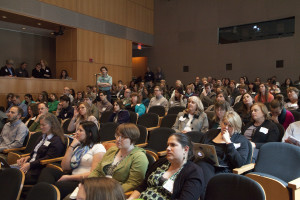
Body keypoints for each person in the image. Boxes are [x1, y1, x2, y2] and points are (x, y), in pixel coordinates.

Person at [38, 121, 106, 199]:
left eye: (80, 130)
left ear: (89, 134)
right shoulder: (78, 147)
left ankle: (45, 195)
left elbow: (93, 174)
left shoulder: (98, 147)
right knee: (47, 171)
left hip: (85, 182)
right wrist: (71, 146)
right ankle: (43, 193)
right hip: (72, 175)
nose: (76, 132)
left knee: (59, 186)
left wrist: (69, 178)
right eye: (77, 130)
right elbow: (65, 167)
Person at [128, 133, 204, 200]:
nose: (168, 148)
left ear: (185, 149)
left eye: (173, 145)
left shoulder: (194, 172)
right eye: (168, 145)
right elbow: (143, 186)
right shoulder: (161, 162)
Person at [89, 123, 148, 192]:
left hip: (114, 192)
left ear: (132, 139)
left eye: (123, 137)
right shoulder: (112, 150)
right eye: (117, 135)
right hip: (98, 186)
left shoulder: (139, 157)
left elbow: (133, 183)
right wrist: (88, 183)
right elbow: (97, 170)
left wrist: (110, 192)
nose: (118, 139)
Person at [15, 113, 65, 184]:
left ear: (52, 125)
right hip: (29, 166)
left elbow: (48, 159)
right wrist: (26, 158)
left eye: (43, 125)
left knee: (10, 176)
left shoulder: (57, 141)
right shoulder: (41, 137)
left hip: (37, 171)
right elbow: (36, 153)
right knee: (5, 171)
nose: (41, 127)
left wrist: (30, 165)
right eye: (40, 124)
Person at [197, 111, 250, 175]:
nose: (226, 127)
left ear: (236, 127)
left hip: (222, 171)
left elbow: (239, 163)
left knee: (201, 168)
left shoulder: (241, 140)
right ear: (221, 123)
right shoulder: (211, 133)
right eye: (225, 123)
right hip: (203, 164)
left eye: (230, 126)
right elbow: (199, 148)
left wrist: (228, 142)